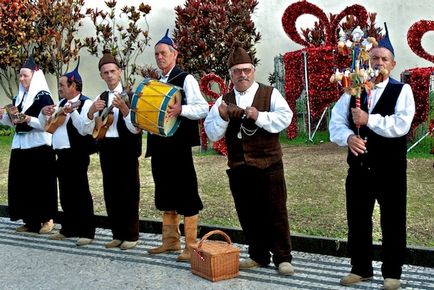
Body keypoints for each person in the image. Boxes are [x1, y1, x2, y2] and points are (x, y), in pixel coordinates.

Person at [329, 24, 415, 290]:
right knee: (357, 219)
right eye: (374, 58)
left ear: (393, 63)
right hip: (358, 168)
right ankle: (360, 268)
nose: (379, 63)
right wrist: (348, 138)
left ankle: (392, 273)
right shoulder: (354, 90)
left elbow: (401, 125)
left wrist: (369, 119)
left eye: (384, 59)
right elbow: (336, 123)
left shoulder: (402, 91)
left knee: (392, 219)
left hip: (390, 169)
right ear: (367, 60)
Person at [204, 41, 295, 276]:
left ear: (253, 70)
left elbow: (286, 118)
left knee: (276, 211)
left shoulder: (269, 93)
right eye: (237, 71)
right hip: (239, 166)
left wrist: (259, 115)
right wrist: (223, 116)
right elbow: (212, 132)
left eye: (246, 70)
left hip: (269, 164)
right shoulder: (223, 100)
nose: (242, 75)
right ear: (231, 74)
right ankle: (258, 255)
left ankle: (283, 257)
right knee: (247, 213)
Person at [146, 29, 208, 262]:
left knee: (186, 194)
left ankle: (190, 246)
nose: (159, 57)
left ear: (174, 55)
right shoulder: (155, 83)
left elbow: (202, 108)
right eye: (156, 54)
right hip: (159, 148)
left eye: (163, 53)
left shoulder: (186, 79)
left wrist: (181, 109)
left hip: (179, 147)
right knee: (165, 193)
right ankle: (170, 242)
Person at [83, 52, 142, 250]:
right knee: (111, 193)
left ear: (120, 72)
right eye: (105, 73)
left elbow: (136, 129)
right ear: (101, 76)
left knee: (129, 192)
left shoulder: (131, 96)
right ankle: (117, 234)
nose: (109, 75)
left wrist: (125, 110)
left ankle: (131, 235)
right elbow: (87, 128)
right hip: (107, 149)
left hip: (125, 149)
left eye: (112, 71)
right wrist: (91, 112)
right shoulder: (100, 98)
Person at [39, 59, 96, 246]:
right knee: (65, 193)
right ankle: (69, 228)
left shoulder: (86, 104)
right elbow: (46, 125)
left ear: (74, 86)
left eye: (63, 85)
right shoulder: (60, 102)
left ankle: (87, 231)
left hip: (77, 154)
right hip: (61, 154)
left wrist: (72, 112)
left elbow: (85, 129)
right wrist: (45, 112)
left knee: (80, 192)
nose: (60, 88)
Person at [0, 56, 57, 234]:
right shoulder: (19, 98)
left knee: (41, 184)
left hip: (39, 146)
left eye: (25, 76)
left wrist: (28, 118)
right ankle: (30, 221)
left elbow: (46, 125)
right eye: (21, 76)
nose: (22, 79)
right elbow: (15, 122)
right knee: (23, 185)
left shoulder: (43, 97)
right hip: (21, 146)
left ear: (34, 76)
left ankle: (47, 219)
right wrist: (3, 117)